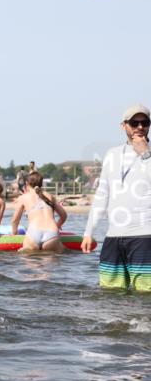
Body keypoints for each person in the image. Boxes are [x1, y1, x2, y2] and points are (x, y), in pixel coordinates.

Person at [81, 104, 151, 291]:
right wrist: (89, 232)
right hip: (114, 236)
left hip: (145, 235)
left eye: (144, 122)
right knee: (109, 292)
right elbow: (102, 195)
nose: (139, 127)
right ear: (123, 125)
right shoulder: (112, 154)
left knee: (146, 293)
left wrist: (145, 153)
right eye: (134, 122)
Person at [9, 171, 67, 252]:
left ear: (26, 183)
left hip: (33, 233)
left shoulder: (23, 198)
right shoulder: (50, 196)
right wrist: (58, 224)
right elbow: (64, 215)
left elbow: (15, 220)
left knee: (26, 256)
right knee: (59, 255)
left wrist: (14, 233)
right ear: (41, 184)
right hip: (52, 233)